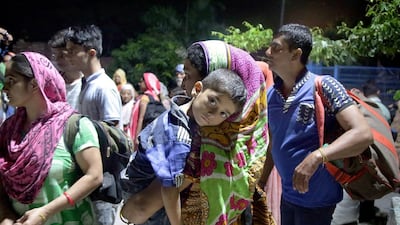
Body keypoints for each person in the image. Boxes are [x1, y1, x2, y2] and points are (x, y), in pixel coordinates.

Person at [122, 40, 271, 225]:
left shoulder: (198, 145)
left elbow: (141, 207)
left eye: (188, 74)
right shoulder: (237, 144)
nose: (183, 80)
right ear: (200, 88)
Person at [260, 23, 373, 225]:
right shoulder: (271, 95)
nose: (268, 52)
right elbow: (274, 144)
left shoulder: (324, 85)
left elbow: (362, 134)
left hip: (318, 201)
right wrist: (261, 181)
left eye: (276, 48)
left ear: (296, 55)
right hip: (288, 196)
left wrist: (317, 156)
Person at [0, 52, 103, 225]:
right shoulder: (8, 130)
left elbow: (94, 176)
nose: (4, 88)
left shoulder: (74, 125)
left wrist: (44, 213)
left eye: (11, 81)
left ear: (34, 84)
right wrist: (6, 216)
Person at [63, 24, 122, 225]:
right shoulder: (87, 84)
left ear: (91, 53)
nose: (67, 54)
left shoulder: (104, 88)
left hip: (102, 180)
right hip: (86, 174)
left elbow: (112, 135)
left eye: (72, 50)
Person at [48, 27, 83, 110]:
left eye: (62, 55)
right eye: (55, 55)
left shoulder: (86, 84)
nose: (57, 59)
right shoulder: (52, 83)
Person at [129, 72, 164, 147]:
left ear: (147, 82)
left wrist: (137, 137)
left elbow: (140, 118)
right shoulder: (156, 97)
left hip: (143, 133)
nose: (139, 83)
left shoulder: (145, 98)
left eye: (141, 81)